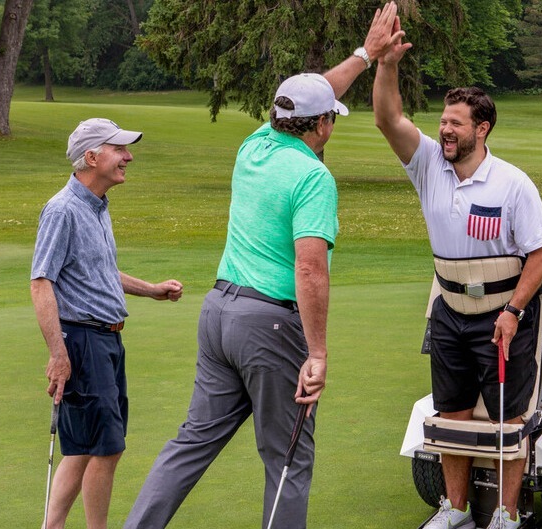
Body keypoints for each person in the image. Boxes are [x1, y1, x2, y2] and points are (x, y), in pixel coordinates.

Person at [123, 4, 405, 528]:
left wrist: (367, 55)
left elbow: (318, 88)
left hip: (218, 315)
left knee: (192, 442)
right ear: (321, 125)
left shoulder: (254, 145)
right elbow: (310, 270)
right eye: (330, 118)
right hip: (271, 328)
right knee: (288, 458)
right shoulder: (312, 176)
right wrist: (317, 352)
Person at [373, 27, 542, 529]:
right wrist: (386, 64)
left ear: (483, 128)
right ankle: (454, 509)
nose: (445, 130)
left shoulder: (513, 184)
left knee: (506, 420)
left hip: (503, 314)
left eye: (456, 123)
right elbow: (388, 119)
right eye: (443, 122)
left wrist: (514, 312)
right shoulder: (429, 163)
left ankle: (506, 513)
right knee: (451, 412)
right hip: (450, 310)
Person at [31, 118, 184, 529]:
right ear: (92, 157)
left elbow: (99, 272)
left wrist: (149, 289)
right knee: (107, 448)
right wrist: (58, 355)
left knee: (83, 447)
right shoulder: (63, 209)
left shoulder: (97, 207)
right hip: (83, 340)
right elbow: (41, 282)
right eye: (119, 150)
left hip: (106, 340)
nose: (128, 157)